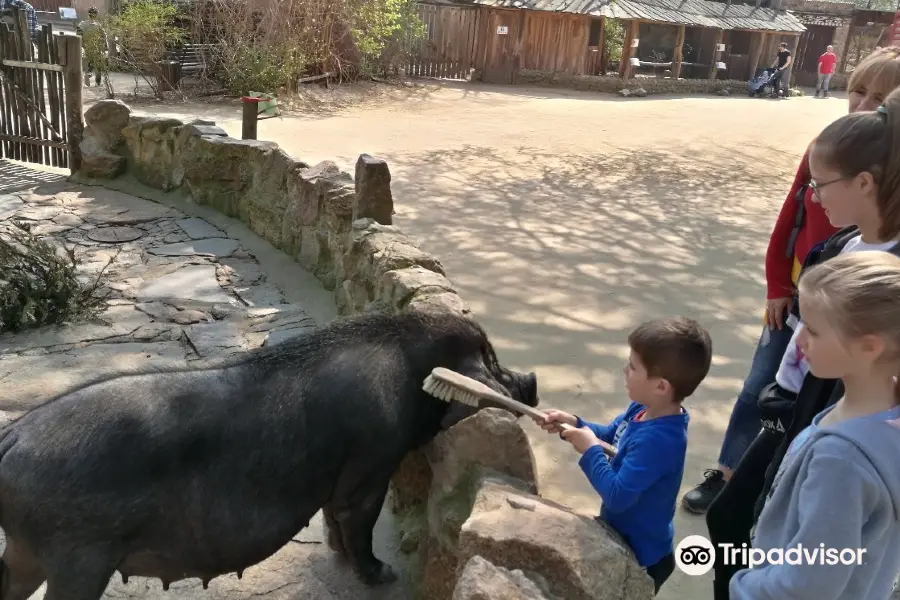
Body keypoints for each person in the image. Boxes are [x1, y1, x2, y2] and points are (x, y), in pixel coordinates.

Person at [682, 45, 900, 518]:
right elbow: (791, 217)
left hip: (842, 336)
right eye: (857, 92)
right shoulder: (829, 159)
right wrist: (778, 285)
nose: (863, 107)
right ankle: (729, 471)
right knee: (762, 388)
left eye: (880, 99)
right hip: (802, 296)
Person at [730, 251, 900, 600]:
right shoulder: (881, 409)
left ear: (869, 346)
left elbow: (808, 584)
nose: (799, 339)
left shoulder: (841, 461)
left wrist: (743, 587)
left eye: (814, 329)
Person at [536, 317, 713, 595]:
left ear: (660, 386)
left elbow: (618, 496)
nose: (624, 370)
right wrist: (574, 424)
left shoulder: (659, 441)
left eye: (633, 367)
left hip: (642, 558)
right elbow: (610, 435)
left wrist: (590, 450)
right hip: (620, 536)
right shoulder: (641, 409)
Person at [77, 6, 107, 87]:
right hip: (97, 48)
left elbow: (78, 36)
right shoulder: (99, 25)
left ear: (88, 14)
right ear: (96, 15)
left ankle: (88, 74)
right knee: (98, 65)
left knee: (91, 62)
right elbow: (104, 37)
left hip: (86, 47)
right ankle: (97, 83)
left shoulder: (82, 24)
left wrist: (81, 47)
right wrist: (105, 48)